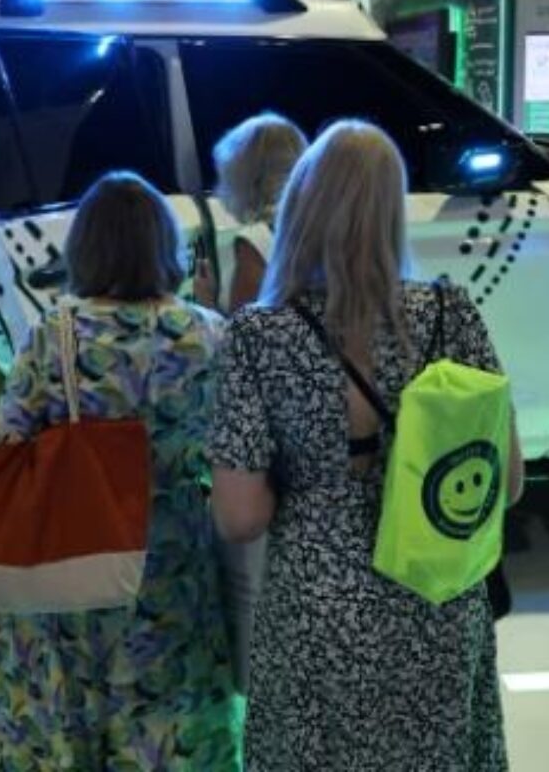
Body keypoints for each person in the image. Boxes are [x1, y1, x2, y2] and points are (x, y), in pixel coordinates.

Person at [208, 120, 524, 772]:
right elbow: (509, 480)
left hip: (315, 614)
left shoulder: (259, 336)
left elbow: (240, 517)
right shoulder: (451, 314)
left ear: (301, 205)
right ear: (392, 213)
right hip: (436, 601)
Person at [0, 171, 239, 771]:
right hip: (173, 569)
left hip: (71, 569)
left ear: (84, 247)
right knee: (168, 732)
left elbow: (4, 452)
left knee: (66, 731)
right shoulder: (210, 335)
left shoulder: (53, 335)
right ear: (164, 245)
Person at [191, 112, 305, 693]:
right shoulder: (318, 229)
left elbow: (242, 339)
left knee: (255, 580)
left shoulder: (256, 242)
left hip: (267, 429)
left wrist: (206, 305)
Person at [194, 112, 305, 314]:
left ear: (244, 177)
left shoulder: (257, 239)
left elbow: (244, 330)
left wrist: (207, 304)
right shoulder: (317, 224)